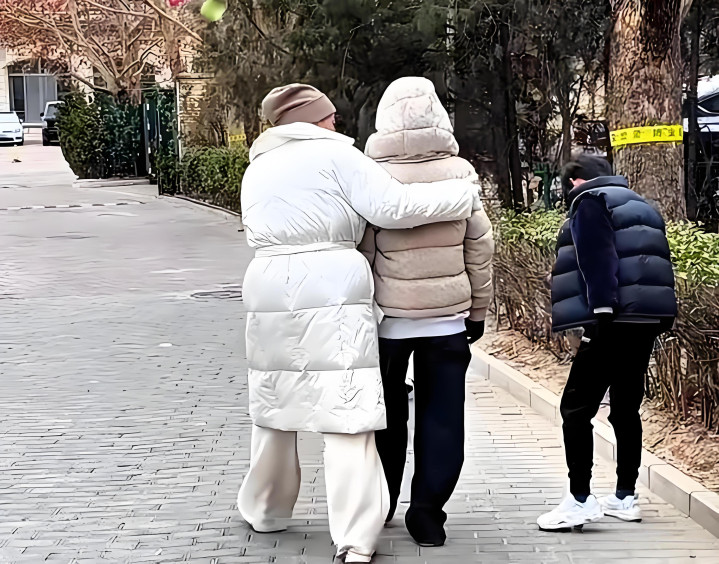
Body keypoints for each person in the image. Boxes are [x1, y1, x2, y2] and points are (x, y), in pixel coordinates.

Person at [237, 83, 484, 563]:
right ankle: (354, 536)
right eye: (329, 115)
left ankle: (265, 507)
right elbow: (393, 208)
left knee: (273, 399)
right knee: (347, 410)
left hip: (266, 282)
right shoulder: (338, 156)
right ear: (312, 120)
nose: (337, 122)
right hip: (330, 281)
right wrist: (460, 194)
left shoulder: (259, 165)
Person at [359, 77, 494, 547]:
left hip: (387, 321)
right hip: (447, 319)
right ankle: (428, 514)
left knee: (385, 412)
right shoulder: (460, 172)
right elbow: (479, 247)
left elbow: (363, 249)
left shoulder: (370, 172)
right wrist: (478, 310)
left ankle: (382, 501)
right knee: (442, 415)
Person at [537, 155, 677, 530]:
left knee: (575, 408)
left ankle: (580, 499)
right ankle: (625, 497)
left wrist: (600, 311)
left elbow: (597, 256)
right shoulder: (642, 204)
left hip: (611, 317)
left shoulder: (590, 201)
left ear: (576, 181)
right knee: (625, 408)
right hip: (645, 319)